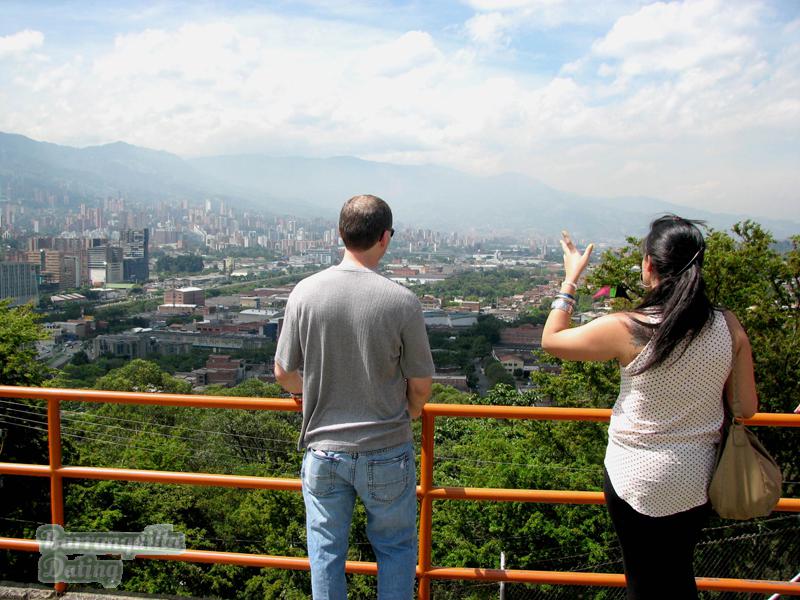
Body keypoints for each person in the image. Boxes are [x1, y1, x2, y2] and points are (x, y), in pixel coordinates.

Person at [541, 216, 758, 600]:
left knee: (643, 580)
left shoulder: (630, 326)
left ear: (649, 266)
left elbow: (552, 340)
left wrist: (571, 280)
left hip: (634, 477)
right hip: (699, 477)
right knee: (677, 574)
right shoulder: (727, 325)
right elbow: (747, 406)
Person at [274, 194, 435, 600]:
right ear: (385, 237)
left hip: (323, 449)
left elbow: (283, 372)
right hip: (386, 447)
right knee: (395, 548)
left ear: (340, 234)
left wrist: (307, 393)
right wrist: (411, 411)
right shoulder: (401, 301)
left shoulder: (305, 293)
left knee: (325, 551)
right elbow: (420, 384)